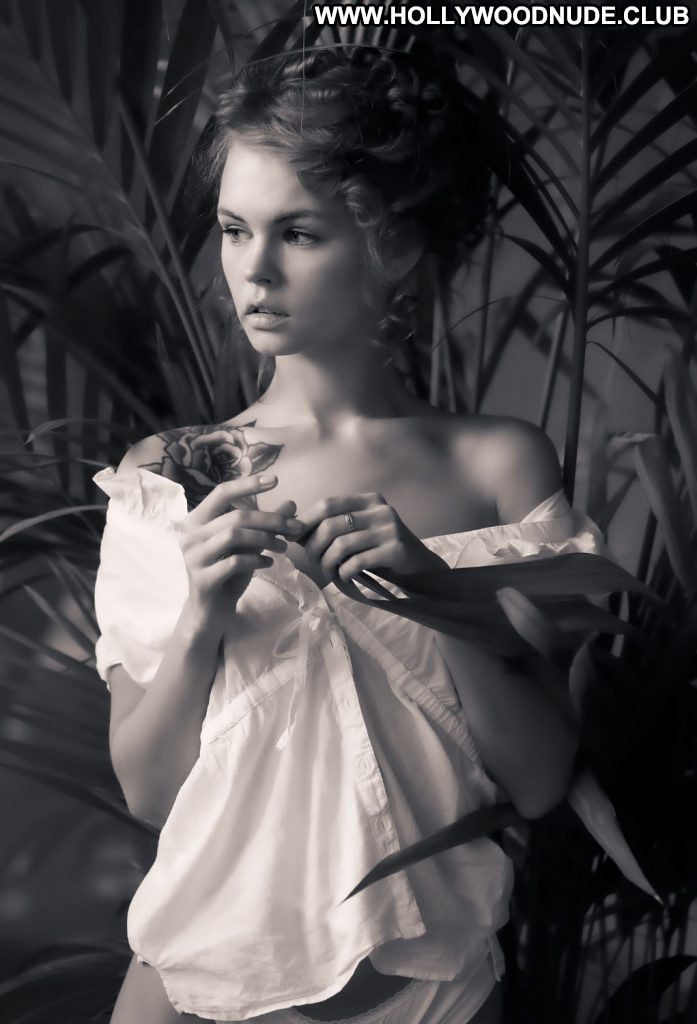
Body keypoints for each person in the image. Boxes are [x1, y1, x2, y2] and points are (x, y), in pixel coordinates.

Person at [92, 45, 605, 1024]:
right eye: (233, 230)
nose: (253, 270)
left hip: (434, 997)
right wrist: (201, 616)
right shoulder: (170, 473)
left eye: (298, 233)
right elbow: (151, 794)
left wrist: (439, 593)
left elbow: (539, 781)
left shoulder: (496, 465)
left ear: (392, 245)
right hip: (193, 994)